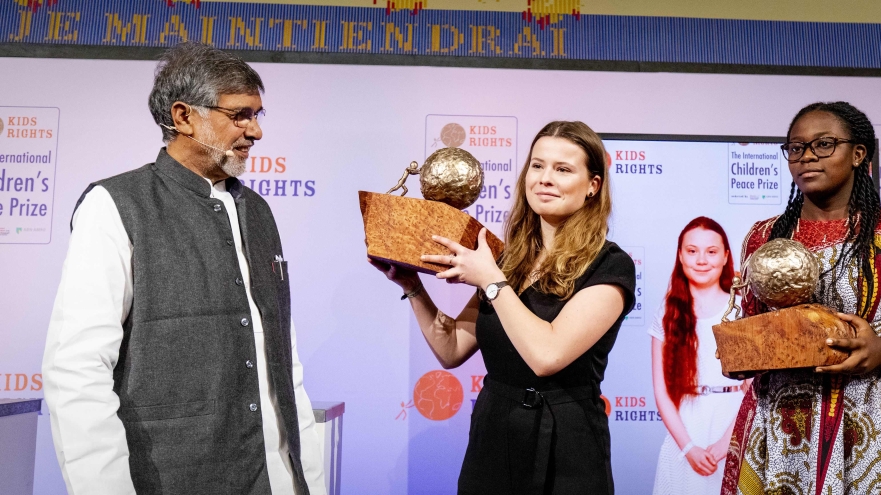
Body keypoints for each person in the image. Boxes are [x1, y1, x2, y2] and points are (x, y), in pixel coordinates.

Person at [42, 42, 326, 495]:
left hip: (275, 477)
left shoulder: (257, 210)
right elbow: (78, 370)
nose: (255, 131)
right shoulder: (116, 205)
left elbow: (283, 363)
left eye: (257, 114)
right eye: (239, 115)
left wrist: (307, 479)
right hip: (172, 477)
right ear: (183, 116)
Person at [372, 121, 635, 494]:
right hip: (494, 437)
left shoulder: (610, 265)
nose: (545, 178)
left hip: (567, 445)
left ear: (593, 185)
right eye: (537, 165)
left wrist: (492, 282)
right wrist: (412, 286)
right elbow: (451, 348)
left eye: (563, 169)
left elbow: (547, 355)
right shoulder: (506, 260)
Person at [721, 102, 881, 495]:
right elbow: (750, 333)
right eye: (795, 148)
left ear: (858, 154)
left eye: (824, 144)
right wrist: (741, 355)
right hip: (781, 424)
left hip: (872, 421)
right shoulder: (764, 239)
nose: (807, 156)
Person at [648, 217, 743, 494]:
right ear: (680, 256)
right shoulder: (666, 312)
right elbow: (661, 390)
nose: (702, 260)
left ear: (725, 257)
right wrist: (688, 448)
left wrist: (728, 442)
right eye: (692, 251)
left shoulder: (740, 309)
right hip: (685, 431)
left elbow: (754, 387)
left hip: (735, 426)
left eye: (711, 252)